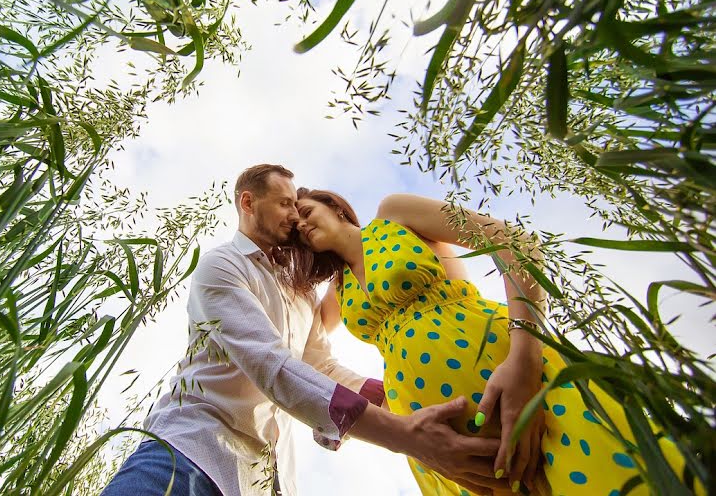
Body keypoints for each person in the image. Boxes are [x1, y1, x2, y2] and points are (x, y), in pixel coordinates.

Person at [102, 165, 508, 496]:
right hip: (192, 450)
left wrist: (401, 396)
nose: (294, 216)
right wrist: (404, 434)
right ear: (247, 202)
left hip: (265, 480)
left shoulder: (299, 298)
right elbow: (269, 363)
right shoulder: (223, 267)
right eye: (284, 204)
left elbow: (321, 366)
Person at [290, 188, 698, 496]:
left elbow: (515, 245)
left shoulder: (392, 215)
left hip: (518, 375)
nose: (303, 225)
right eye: (298, 230)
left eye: (306, 211)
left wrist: (525, 359)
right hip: (445, 444)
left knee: (618, 474)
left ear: (336, 206)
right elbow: (293, 338)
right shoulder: (338, 292)